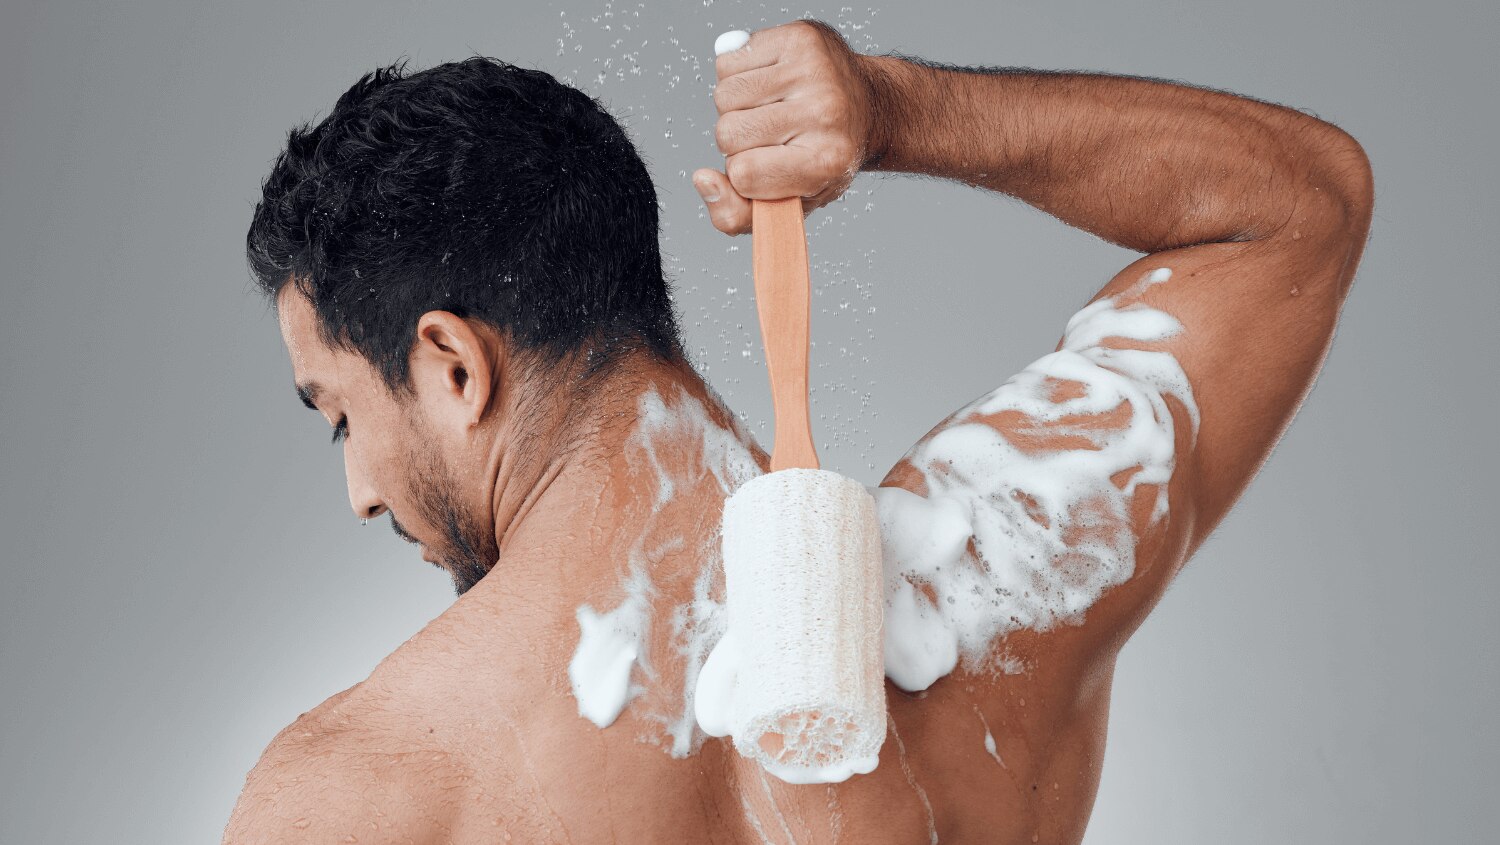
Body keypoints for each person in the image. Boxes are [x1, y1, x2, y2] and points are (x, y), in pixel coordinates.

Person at [223, 19, 1372, 844]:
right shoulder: (984, 595)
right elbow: (1296, 209)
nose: (361, 490)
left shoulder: (357, 793)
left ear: (452, 364)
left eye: (341, 415)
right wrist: (897, 111)